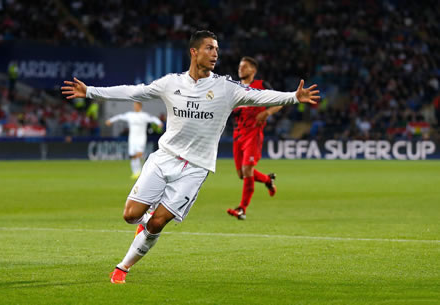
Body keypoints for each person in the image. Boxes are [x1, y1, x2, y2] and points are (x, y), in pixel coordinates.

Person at [61, 30, 319, 284]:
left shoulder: (225, 88)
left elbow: (259, 97)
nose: (215, 53)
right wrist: (91, 91)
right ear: (194, 52)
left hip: (195, 168)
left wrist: (294, 97)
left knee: (158, 222)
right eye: (209, 48)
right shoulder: (171, 83)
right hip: (164, 158)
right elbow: (134, 92)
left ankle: (122, 268)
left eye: (217, 49)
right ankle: (144, 225)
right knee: (130, 215)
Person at [227, 56, 282, 220]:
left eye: (244, 66)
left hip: (253, 132)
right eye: (239, 66)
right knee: (241, 174)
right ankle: (267, 180)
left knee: (247, 170)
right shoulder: (235, 88)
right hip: (238, 134)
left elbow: (280, 101)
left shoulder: (261, 86)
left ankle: (242, 209)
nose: (240, 69)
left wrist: (267, 112)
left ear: (253, 70)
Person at [105, 101, 163, 179]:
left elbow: (153, 118)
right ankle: (135, 173)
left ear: (140, 106)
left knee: (139, 154)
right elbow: (119, 117)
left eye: (136, 105)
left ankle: (141, 171)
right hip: (132, 139)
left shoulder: (144, 115)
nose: (135, 107)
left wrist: (159, 123)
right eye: (134, 105)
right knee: (132, 156)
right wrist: (110, 120)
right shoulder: (130, 115)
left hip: (141, 138)